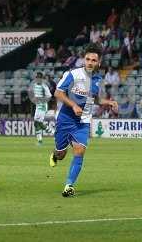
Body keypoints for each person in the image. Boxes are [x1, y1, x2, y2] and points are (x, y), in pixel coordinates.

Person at [49, 44, 118, 197]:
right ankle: (55, 153)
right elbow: (58, 93)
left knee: (79, 151)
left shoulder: (98, 79)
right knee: (61, 154)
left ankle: (69, 185)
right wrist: (73, 105)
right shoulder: (73, 74)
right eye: (87, 59)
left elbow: (95, 99)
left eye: (93, 60)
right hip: (66, 118)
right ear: (83, 60)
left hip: (83, 119)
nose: (90, 62)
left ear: (98, 63)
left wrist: (108, 102)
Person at [30, 72, 52, 146]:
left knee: (39, 122)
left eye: (39, 78)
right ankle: (39, 141)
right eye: (37, 78)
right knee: (36, 123)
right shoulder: (35, 85)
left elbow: (49, 96)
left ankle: (54, 133)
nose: (38, 79)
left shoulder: (44, 86)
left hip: (42, 106)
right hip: (38, 106)